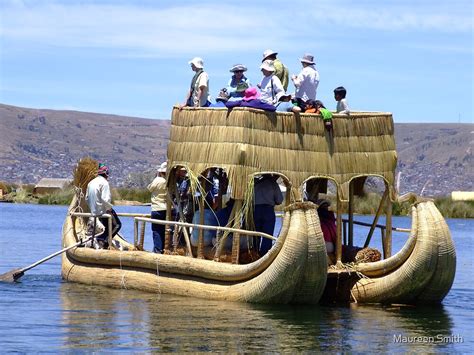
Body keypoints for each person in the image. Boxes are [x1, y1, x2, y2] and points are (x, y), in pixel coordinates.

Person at [85, 163, 121, 249]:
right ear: (106, 174)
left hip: (94, 211)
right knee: (117, 225)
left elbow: (86, 198)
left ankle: (103, 241)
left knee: (108, 227)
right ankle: (102, 239)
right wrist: (109, 209)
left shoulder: (91, 182)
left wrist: (93, 208)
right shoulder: (104, 183)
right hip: (102, 210)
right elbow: (105, 199)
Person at [253, 174, 284, 256]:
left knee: (255, 235)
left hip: (255, 210)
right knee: (267, 236)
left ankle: (254, 254)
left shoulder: (256, 183)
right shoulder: (273, 184)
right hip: (268, 210)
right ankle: (264, 256)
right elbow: (280, 200)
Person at [147, 161, 168, 253]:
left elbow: (149, 188)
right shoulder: (168, 181)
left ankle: (157, 250)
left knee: (156, 230)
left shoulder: (158, 180)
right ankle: (163, 248)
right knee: (164, 230)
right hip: (165, 208)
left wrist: (156, 177)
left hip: (156, 208)